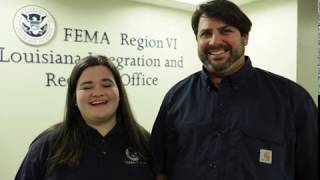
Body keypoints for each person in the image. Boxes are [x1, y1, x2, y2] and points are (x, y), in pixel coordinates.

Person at [151, 0, 318, 180]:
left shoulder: (293, 100)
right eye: (206, 33)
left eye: (226, 31)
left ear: (244, 37)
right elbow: (160, 169)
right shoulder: (175, 98)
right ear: (197, 40)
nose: (214, 41)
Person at [15, 55, 154, 180]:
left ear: (119, 93)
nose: (98, 92)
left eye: (106, 85)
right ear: (74, 98)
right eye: (87, 87)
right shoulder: (47, 145)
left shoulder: (144, 142)